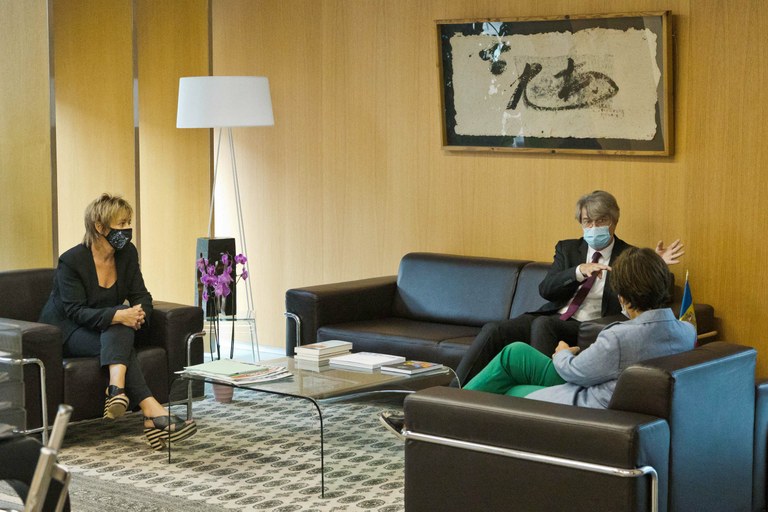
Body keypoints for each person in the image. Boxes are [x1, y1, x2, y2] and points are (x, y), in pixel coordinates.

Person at [379, 247, 696, 437]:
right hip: (602, 385)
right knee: (513, 353)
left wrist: (562, 353)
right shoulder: (685, 330)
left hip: (589, 401)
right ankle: (438, 409)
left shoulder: (620, 336)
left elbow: (575, 372)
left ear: (624, 296)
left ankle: (431, 423)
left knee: (507, 390)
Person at [453, 190, 684, 385]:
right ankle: (454, 390)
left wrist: (654, 265)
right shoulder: (568, 249)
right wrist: (578, 271)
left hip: (591, 324)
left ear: (614, 222)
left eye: (600, 221)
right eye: (587, 222)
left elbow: (644, 296)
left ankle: (539, 394)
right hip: (555, 315)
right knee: (494, 329)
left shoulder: (628, 256)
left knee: (543, 325)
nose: (593, 227)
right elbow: (546, 290)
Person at [39, 193, 196, 450]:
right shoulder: (72, 261)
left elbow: (141, 295)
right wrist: (119, 315)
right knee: (119, 322)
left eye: (128, 223)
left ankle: (117, 391)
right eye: (121, 224)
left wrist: (139, 314)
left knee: (120, 323)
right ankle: (152, 411)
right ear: (100, 227)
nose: (127, 229)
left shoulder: (126, 253)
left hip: (105, 329)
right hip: (68, 330)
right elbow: (76, 311)